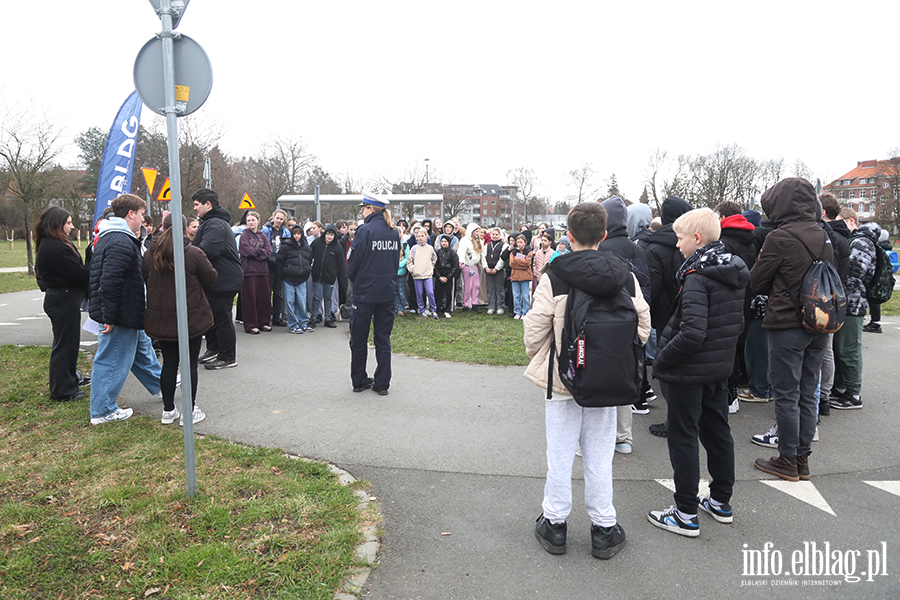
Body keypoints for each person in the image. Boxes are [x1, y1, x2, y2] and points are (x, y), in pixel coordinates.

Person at [524, 202, 650, 560]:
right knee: (599, 456)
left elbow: (535, 328)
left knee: (560, 454)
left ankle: (555, 523)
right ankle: (604, 528)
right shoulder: (624, 275)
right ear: (604, 235)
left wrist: (544, 354)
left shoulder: (555, 275)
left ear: (568, 235)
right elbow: (643, 323)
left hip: (565, 377)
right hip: (607, 380)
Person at [648, 208, 748, 537]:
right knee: (717, 433)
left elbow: (692, 332)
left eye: (679, 238)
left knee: (684, 438)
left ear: (697, 238)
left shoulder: (697, 277)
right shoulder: (730, 270)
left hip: (688, 372)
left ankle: (685, 512)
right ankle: (720, 501)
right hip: (718, 370)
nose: (676, 245)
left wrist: (662, 361)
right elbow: (735, 324)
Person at [750, 178, 835, 482]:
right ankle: (802, 460)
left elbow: (756, 282)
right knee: (807, 393)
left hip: (787, 323)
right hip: (819, 323)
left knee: (786, 394)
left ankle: (787, 460)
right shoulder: (822, 234)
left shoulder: (779, 237)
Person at [87, 194, 163, 425]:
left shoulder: (112, 236)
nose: (143, 220)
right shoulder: (120, 240)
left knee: (137, 351)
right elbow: (109, 281)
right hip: (119, 313)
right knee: (112, 360)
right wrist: (109, 316)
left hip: (124, 311)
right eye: (141, 214)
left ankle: (162, 385)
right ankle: (103, 411)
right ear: (131, 214)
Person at [143, 213, 217, 426]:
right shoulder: (193, 253)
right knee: (189, 365)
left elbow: (145, 277)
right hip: (190, 316)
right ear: (185, 230)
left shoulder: (150, 254)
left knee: (169, 364)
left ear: (162, 228)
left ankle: (168, 410)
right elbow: (211, 278)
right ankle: (189, 410)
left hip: (161, 317)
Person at [599, 196, 651, 453]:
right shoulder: (639, 249)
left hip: (605, 327)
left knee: (601, 380)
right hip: (631, 325)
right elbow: (646, 290)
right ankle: (623, 436)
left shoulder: (601, 250)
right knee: (624, 379)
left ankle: (600, 437)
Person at [644, 196, 694, 438]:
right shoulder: (696, 242)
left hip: (666, 317)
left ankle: (675, 420)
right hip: (693, 313)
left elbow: (651, 287)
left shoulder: (654, 247)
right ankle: (686, 418)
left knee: (667, 368)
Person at [35, 206, 90, 402]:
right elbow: (80, 274)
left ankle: (68, 383)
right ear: (57, 224)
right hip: (62, 301)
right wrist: (92, 259)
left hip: (63, 299)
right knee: (65, 347)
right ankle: (62, 391)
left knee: (67, 345)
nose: (72, 227)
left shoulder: (52, 244)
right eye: (68, 223)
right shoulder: (55, 248)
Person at [348, 193, 401, 395]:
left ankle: (359, 380)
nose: (362, 211)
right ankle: (382, 384)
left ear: (370, 209)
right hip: (387, 292)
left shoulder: (365, 230)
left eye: (364, 208)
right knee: (383, 339)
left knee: (359, 339)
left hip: (365, 293)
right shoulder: (393, 232)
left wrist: (355, 280)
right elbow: (394, 262)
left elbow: (353, 263)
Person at [830, 207, 879, 411]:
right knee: (841, 348)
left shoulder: (860, 242)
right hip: (849, 303)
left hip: (853, 304)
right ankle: (841, 387)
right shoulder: (858, 241)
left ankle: (853, 393)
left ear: (851, 221)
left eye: (841, 222)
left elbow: (855, 274)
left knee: (848, 349)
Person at [192, 188, 243, 370]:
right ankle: (214, 349)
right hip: (216, 279)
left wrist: (188, 254)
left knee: (221, 318)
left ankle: (228, 356)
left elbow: (206, 252)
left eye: (197, 205)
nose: (195, 209)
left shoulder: (215, 225)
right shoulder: (211, 223)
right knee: (211, 316)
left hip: (223, 281)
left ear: (208, 204)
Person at [276, 224, 314, 334]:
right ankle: (293, 324)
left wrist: (307, 271)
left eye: (298, 233)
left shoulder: (307, 247)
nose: (297, 236)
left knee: (302, 302)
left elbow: (309, 260)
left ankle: (303, 323)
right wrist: (283, 274)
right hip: (289, 279)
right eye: (294, 233)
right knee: (290, 302)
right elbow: (279, 261)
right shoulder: (286, 247)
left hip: (302, 279)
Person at [310, 224, 348, 328]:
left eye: (332, 235)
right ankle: (313, 318)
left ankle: (328, 318)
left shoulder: (337, 247)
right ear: (324, 234)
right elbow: (309, 255)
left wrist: (342, 279)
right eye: (328, 234)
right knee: (316, 298)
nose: (329, 237)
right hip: (317, 276)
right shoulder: (317, 243)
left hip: (330, 278)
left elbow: (341, 265)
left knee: (328, 298)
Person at [262, 209, 291, 327]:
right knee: (267, 291)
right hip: (268, 263)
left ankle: (276, 317)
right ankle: (265, 316)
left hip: (280, 264)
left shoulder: (286, 232)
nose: (279, 221)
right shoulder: (266, 230)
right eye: (277, 218)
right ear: (273, 217)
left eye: (281, 219)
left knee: (279, 293)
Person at [864, 229, 892, 333]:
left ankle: (875, 322)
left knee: (873, 300)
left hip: (877, 277)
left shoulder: (878, 248)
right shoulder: (885, 247)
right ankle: (875, 321)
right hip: (882, 277)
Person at [408, 227, 439, 319]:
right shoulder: (414, 249)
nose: (420, 238)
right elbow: (409, 261)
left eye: (422, 236)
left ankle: (433, 309)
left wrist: (431, 267)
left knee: (430, 292)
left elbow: (434, 258)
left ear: (426, 237)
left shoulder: (430, 248)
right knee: (419, 293)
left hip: (427, 274)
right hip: (417, 275)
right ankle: (422, 310)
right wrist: (413, 269)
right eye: (419, 236)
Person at [457, 223, 483, 312]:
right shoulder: (464, 240)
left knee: (476, 285)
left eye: (478, 231)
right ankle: (466, 304)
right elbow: (461, 251)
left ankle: (475, 303)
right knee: (468, 286)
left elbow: (480, 252)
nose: (477, 233)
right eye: (476, 231)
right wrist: (461, 261)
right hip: (467, 265)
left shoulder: (478, 240)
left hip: (475, 265)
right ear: (471, 232)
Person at [434, 233, 460, 318]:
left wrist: (448, 277)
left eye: (445, 241)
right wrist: (439, 276)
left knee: (449, 293)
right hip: (439, 274)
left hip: (449, 275)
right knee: (438, 292)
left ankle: (447, 310)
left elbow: (455, 266)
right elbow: (434, 265)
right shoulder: (437, 252)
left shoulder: (453, 253)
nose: (443, 243)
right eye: (442, 241)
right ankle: (437, 309)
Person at [482, 227, 506, 314]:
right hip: (488, 270)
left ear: (500, 235)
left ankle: (500, 306)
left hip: (498, 270)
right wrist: (486, 267)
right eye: (493, 234)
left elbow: (502, 258)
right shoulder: (487, 245)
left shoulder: (503, 245)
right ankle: (491, 306)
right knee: (490, 288)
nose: (495, 236)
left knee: (499, 288)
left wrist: (497, 268)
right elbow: (483, 257)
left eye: (497, 234)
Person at [509, 234, 533, 319]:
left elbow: (527, 263)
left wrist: (517, 259)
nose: (519, 244)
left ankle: (525, 311)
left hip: (525, 276)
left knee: (525, 296)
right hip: (515, 276)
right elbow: (511, 264)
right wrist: (521, 261)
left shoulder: (529, 251)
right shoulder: (513, 252)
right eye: (518, 242)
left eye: (521, 242)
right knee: (516, 296)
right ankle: (517, 311)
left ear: (525, 242)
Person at [396, 241, 409, 316]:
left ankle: (401, 308)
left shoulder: (404, 247)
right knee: (393, 292)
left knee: (400, 291)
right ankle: (394, 307)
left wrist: (399, 264)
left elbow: (406, 259)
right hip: (392, 274)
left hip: (401, 274)